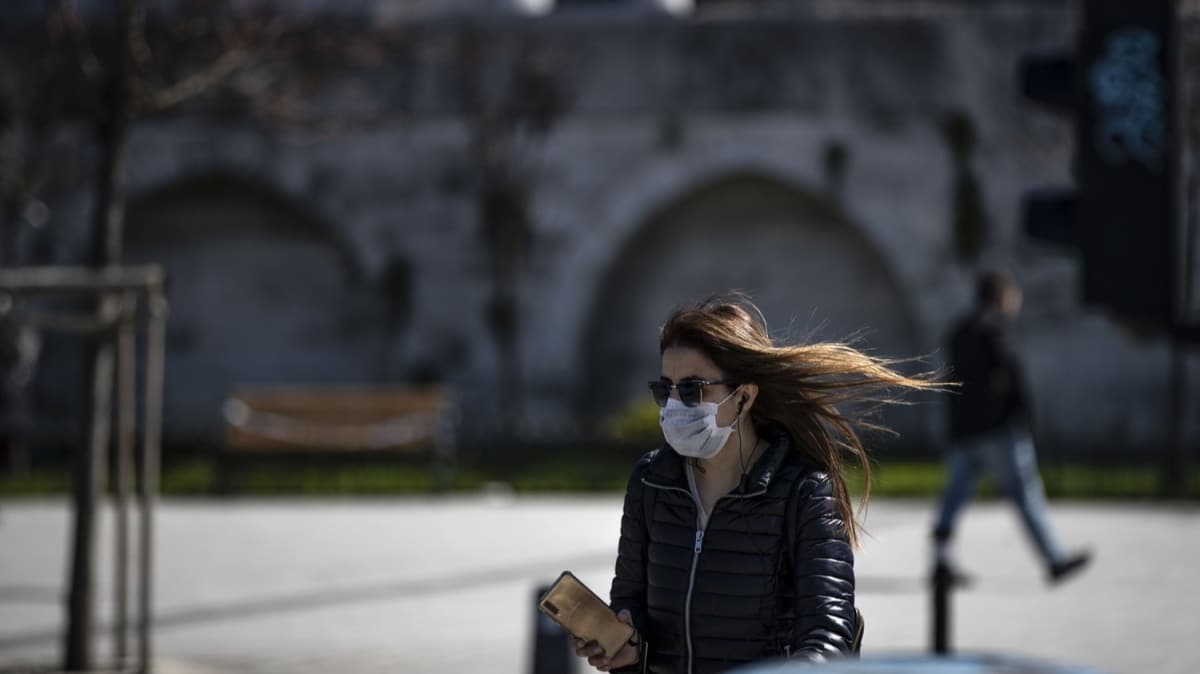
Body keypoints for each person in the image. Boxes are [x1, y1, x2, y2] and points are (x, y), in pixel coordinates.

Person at [573, 293, 940, 673]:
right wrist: (626, 647)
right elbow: (631, 603)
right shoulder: (650, 481)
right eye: (665, 390)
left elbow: (829, 637)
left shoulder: (805, 491)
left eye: (693, 389)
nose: (676, 405)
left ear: (744, 397)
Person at [931, 270, 1091, 585]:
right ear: (1002, 297)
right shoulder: (996, 330)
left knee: (953, 498)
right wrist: (1026, 421)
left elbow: (950, 384)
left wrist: (952, 428)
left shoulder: (959, 332)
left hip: (965, 431)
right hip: (999, 430)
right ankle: (1054, 558)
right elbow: (1013, 379)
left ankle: (940, 560)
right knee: (1026, 494)